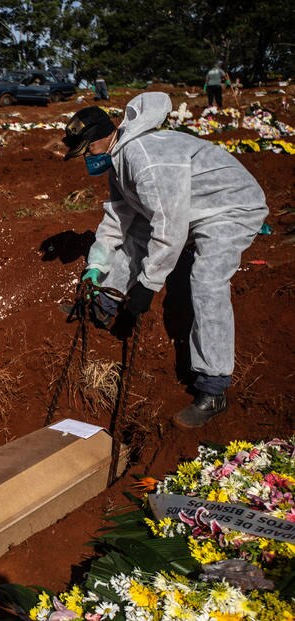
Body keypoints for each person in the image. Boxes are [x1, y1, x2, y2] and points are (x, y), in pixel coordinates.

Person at [61, 92, 267, 428]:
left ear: (101, 137)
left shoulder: (147, 161)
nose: (86, 159)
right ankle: (105, 303)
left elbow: (170, 230)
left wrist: (148, 285)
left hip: (231, 206)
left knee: (206, 279)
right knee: (137, 237)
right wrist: (96, 267)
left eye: (86, 150)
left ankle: (213, 387)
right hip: (190, 208)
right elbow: (118, 222)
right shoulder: (119, 161)